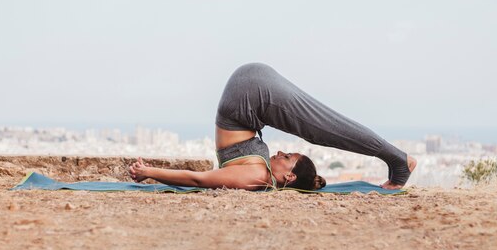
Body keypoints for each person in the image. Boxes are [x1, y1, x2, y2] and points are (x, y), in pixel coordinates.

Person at [129, 63, 417, 191]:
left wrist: (149, 172)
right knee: (322, 127)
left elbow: (199, 180)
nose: (280, 152)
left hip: (253, 92)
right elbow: (200, 180)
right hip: (253, 93)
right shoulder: (260, 174)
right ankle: (397, 160)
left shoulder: (256, 177)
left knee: (324, 128)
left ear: (289, 177)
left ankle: (398, 160)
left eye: (288, 158)